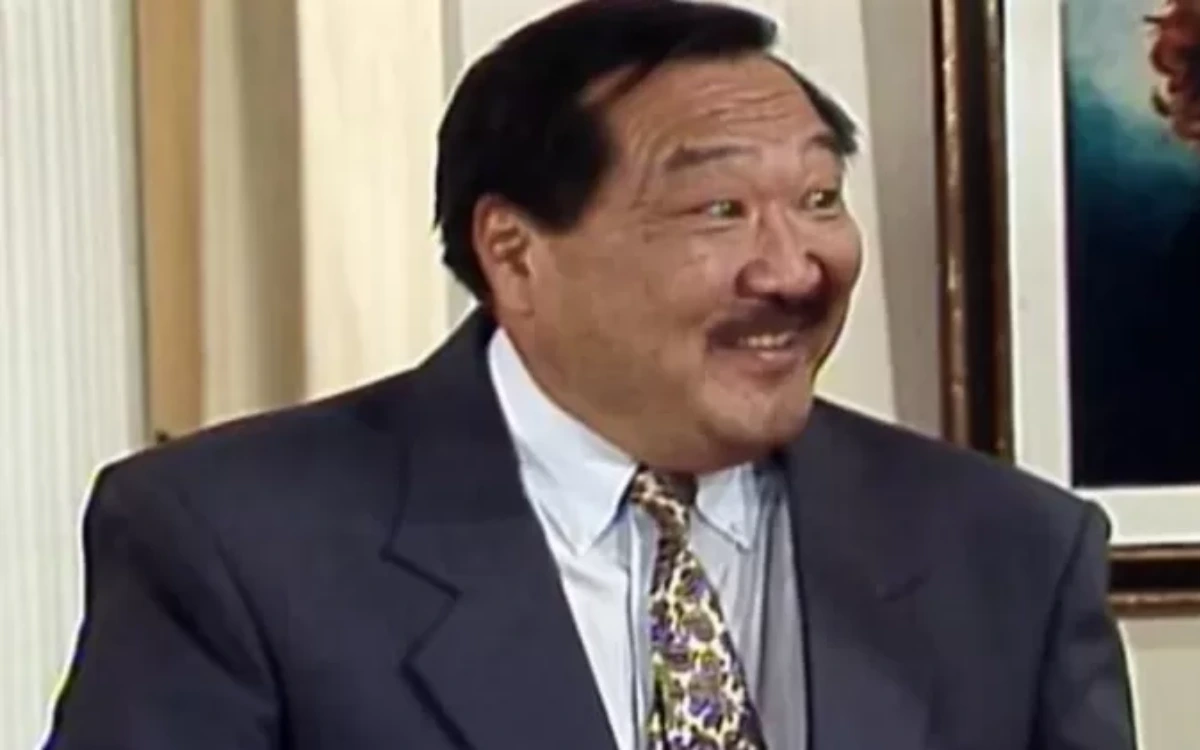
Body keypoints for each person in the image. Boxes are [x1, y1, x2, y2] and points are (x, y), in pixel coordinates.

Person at [45, 1, 1136, 748]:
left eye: (817, 200)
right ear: (516, 254)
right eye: (720, 209)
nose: (795, 268)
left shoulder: (1010, 553)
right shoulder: (236, 543)